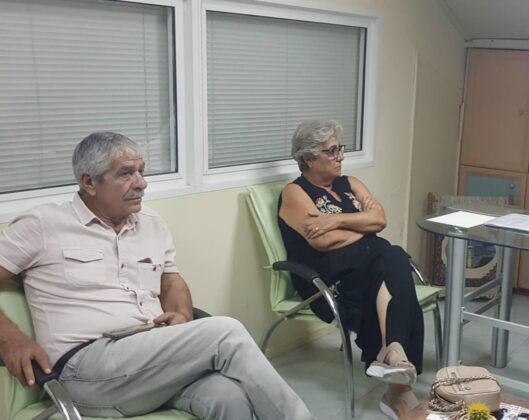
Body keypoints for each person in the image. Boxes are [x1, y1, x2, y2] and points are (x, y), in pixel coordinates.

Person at [0, 132, 313, 420]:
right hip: (85, 370)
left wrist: (182, 315)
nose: (142, 183)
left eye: (141, 171)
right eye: (126, 173)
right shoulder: (44, 224)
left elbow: (170, 280)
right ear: (89, 182)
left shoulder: (151, 222)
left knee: (227, 395)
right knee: (225, 332)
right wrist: (11, 339)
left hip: (148, 358)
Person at [278, 120, 424, 419]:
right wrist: (362, 226)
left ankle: (393, 353)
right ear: (309, 158)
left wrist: (335, 220)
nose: (340, 157)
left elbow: (380, 219)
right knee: (392, 258)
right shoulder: (295, 192)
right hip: (326, 282)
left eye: (340, 149)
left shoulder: (350, 183)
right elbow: (324, 242)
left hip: (366, 267)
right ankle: (395, 372)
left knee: (391, 260)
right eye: (332, 151)